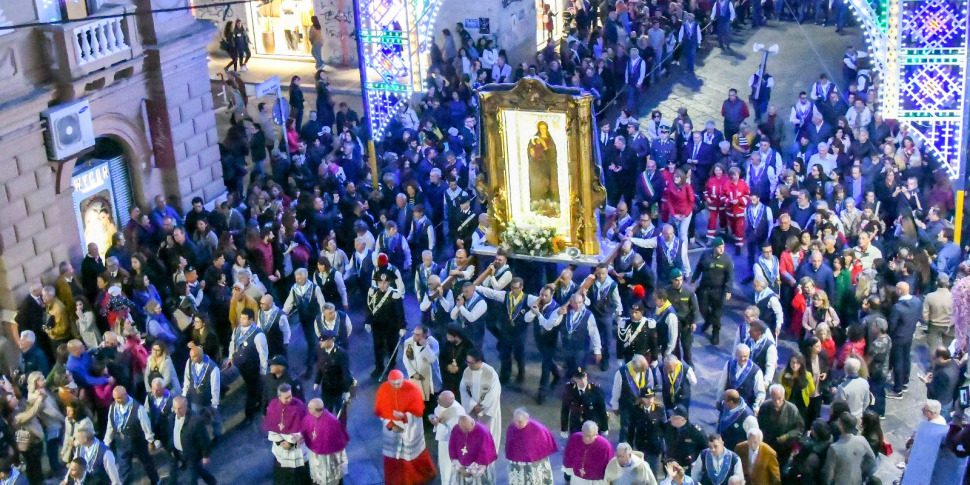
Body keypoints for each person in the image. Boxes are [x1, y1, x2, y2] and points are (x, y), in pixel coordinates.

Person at [374, 369, 437, 485]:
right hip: (392, 428)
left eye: (398, 383)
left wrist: (404, 416)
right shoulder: (383, 389)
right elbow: (381, 411)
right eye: (393, 384)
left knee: (412, 454)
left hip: (410, 428)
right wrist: (390, 424)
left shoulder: (413, 390)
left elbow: (418, 412)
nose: (396, 386)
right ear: (389, 382)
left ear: (403, 379)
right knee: (394, 457)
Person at [103, 386, 160, 485]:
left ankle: (155, 480)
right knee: (123, 468)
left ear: (125, 395)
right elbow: (110, 426)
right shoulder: (113, 407)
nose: (117, 400)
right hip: (121, 444)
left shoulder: (138, 408)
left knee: (146, 463)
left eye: (119, 398)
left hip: (137, 443)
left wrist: (150, 441)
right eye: (115, 398)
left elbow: (146, 425)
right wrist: (106, 442)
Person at [227, 308, 268, 424]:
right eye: (241, 317)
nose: (241, 320)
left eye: (244, 318)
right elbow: (232, 342)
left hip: (253, 368)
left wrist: (263, 371)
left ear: (251, 319)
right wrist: (230, 356)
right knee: (253, 387)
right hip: (242, 367)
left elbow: (263, 354)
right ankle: (261, 402)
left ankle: (249, 415)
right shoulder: (238, 330)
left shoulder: (258, 334)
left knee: (251, 391)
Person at [692, 237, 734, 345]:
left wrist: (728, 290)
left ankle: (715, 333)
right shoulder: (705, 255)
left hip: (718, 290)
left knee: (717, 313)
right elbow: (698, 268)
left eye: (723, 247)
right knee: (702, 308)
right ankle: (708, 320)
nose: (722, 249)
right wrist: (693, 280)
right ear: (714, 247)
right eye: (719, 247)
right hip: (704, 288)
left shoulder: (726, 260)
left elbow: (730, 276)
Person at [264, 383, 309, 484]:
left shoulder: (299, 406)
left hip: (296, 443)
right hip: (281, 444)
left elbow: (306, 426)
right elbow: (272, 427)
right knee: (282, 472)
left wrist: (291, 443)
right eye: (286, 397)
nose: (289, 399)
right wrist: (281, 442)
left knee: (299, 473)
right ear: (279, 397)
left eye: (290, 396)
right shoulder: (273, 405)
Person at [167, 396, 217, 485]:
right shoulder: (172, 418)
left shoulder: (195, 421)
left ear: (186, 406)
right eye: (175, 409)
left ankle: (212, 482)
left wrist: (205, 456)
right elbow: (172, 432)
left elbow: (204, 440)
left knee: (192, 479)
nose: (177, 411)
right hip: (177, 453)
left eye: (180, 408)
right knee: (197, 470)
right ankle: (211, 481)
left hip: (192, 455)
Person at [459, 349, 502, 451]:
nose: (468, 365)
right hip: (472, 410)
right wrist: (473, 404)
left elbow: (494, 393)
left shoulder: (490, 373)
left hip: (486, 412)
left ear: (479, 361)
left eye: (471, 362)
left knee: (486, 437)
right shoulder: (467, 371)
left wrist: (482, 407)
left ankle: (486, 459)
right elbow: (463, 389)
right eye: (467, 362)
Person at [366, 272, 407, 378]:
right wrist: (368, 321)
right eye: (380, 282)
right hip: (377, 325)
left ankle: (391, 367)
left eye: (384, 282)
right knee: (377, 347)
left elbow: (400, 313)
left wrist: (402, 327)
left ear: (389, 283)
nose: (382, 285)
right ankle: (379, 367)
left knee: (391, 347)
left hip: (391, 326)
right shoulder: (373, 292)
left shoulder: (395, 294)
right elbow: (370, 308)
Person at [302, 398, 349, 485]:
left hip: (327, 455)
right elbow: (305, 428)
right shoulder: (310, 416)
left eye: (310, 408)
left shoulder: (331, 423)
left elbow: (334, 442)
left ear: (316, 410)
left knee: (328, 473)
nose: (307, 409)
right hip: (315, 452)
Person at [505, 407, 558, 485]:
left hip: (533, 465)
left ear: (527, 419)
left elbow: (545, 444)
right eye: (515, 421)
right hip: (517, 465)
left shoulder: (538, 429)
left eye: (520, 421)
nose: (517, 424)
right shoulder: (512, 428)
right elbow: (509, 445)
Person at [887, 281, 921, 399]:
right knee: (906, 359)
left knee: (898, 362)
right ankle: (905, 382)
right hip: (909, 335)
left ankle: (898, 389)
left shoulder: (898, 307)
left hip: (898, 338)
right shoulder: (917, 301)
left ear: (899, 291)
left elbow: (892, 325)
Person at [758, 384, 804, 467]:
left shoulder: (792, 409)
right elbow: (759, 425)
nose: (777, 402)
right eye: (774, 399)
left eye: (779, 398)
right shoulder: (765, 407)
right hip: (768, 444)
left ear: (784, 396)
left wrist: (787, 436)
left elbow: (799, 428)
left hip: (785, 447)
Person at [183, 345, 222, 440]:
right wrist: (184, 395)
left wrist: (214, 404)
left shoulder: (212, 368)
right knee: (197, 419)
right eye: (191, 356)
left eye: (194, 356)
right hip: (195, 399)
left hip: (208, 397)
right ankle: (204, 437)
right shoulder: (189, 363)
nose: (191, 359)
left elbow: (215, 387)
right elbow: (187, 380)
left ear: (200, 355)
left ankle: (218, 434)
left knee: (215, 418)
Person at [823, 414, 875, 485]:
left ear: (841, 426)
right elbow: (871, 458)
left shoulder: (834, 448)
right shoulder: (862, 440)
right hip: (856, 480)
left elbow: (829, 474)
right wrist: (859, 469)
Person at [627, 388, 667, 477]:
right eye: (647, 398)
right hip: (641, 445)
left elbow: (664, 428)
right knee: (641, 473)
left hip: (654, 446)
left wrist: (664, 447)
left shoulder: (659, 409)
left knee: (652, 473)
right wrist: (629, 445)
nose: (650, 400)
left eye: (651, 397)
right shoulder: (636, 409)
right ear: (642, 398)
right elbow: (631, 429)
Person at [449, 415, 498, 484]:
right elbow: (452, 447)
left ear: (472, 424)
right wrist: (459, 467)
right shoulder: (456, 429)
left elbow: (485, 454)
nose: (464, 431)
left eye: (466, 429)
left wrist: (470, 469)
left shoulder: (482, 432)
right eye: (462, 429)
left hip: (478, 470)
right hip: (461, 469)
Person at [562, 421, 614, 485]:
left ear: (596, 434)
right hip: (578, 479)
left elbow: (610, 466)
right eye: (584, 435)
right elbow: (568, 456)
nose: (586, 438)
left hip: (597, 481)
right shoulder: (574, 439)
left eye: (589, 436)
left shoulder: (605, 446)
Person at [561, 367, 608, 437]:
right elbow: (565, 409)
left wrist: (604, 428)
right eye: (579, 379)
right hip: (575, 426)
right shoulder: (569, 390)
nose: (582, 380)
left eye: (584, 377)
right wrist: (564, 429)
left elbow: (602, 410)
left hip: (592, 427)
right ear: (575, 379)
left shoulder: (595, 390)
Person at [718, 345, 766, 412]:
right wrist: (719, 399)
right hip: (728, 405)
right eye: (740, 356)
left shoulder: (756, 371)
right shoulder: (729, 364)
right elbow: (722, 383)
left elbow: (760, 392)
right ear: (736, 355)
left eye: (745, 356)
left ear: (749, 355)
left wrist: (756, 407)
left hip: (744, 409)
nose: (743, 359)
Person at [431, 391, 466, 484]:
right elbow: (438, 412)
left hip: (451, 445)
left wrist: (437, 424)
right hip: (443, 443)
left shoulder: (457, 413)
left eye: (440, 400)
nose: (437, 400)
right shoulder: (444, 405)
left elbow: (452, 434)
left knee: (448, 468)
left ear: (448, 401)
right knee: (443, 466)